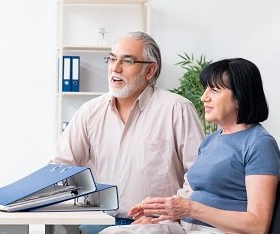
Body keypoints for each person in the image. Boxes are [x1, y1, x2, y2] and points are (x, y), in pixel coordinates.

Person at [102, 58, 280, 234]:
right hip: (186, 227)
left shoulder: (259, 144)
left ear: (240, 97)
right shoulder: (211, 140)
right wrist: (163, 215)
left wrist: (190, 209)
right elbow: (195, 201)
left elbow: (258, 226)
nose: (204, 97)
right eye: (206, 89)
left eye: (214, 90)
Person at [50, 31, 204, 233]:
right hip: (99, 221)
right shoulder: (90, 111)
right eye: (112, 59)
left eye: (127, 61)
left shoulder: (177, 109)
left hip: (155, 226)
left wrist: (169, 217)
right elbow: (60, 167)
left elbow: (199, 179)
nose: (115, 67)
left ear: (150, 71)